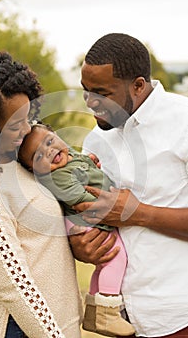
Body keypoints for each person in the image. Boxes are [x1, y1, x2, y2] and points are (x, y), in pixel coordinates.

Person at [0, 51, 89, 338]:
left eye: (28, 117)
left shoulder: (16, 160)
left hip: (47, 322)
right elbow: (13, 284)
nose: (28, 129)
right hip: (13, 327)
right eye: (16, 124)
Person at [68, 33, 188, 338]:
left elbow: (126, 213)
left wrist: (137, 213)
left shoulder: (183, 122)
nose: (91, 102)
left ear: (138, 85)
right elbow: (89, 210)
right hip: (122, 318)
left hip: (178, 314)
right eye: (85, 91)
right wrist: (80, 245)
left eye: (101, 92)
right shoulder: (96, 139)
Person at [18, 122, 135, 337]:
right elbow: (81, 202)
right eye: (38, 156)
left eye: (50, 141)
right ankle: (107, 312)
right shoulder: (58, 177)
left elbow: (79, 161)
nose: (50, 151)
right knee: (115, 257)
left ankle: (92, 312)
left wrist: (89, 163)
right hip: (86, 220)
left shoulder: (68, 157)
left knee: (102, 267)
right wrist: (117, 211)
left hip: (86, 218)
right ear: (33, 170)